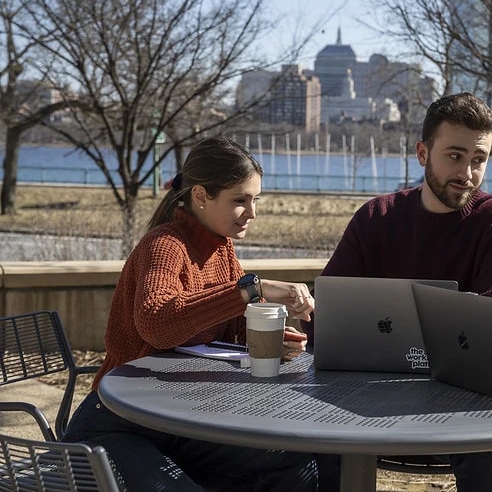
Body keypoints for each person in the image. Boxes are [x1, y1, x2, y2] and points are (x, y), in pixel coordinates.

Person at [63, 136, 318, 491]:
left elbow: (220, 330)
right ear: (200, 196)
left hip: (183, 421)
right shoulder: (164, 246)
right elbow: (158, 324)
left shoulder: (223, 250)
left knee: (299, 465)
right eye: (240, 201)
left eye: (255, 200)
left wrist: (272, 338)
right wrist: (252, 288)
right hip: (118, 421)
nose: (253, 212)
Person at [308, 92, 492, 492]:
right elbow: (328, 309)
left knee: (491, 443)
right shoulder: (377, 217)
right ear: (422, 153)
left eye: (478, 159)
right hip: (372, 389)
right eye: (455, 155)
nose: (467, 171)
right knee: (315, 434)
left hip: (467, 397)